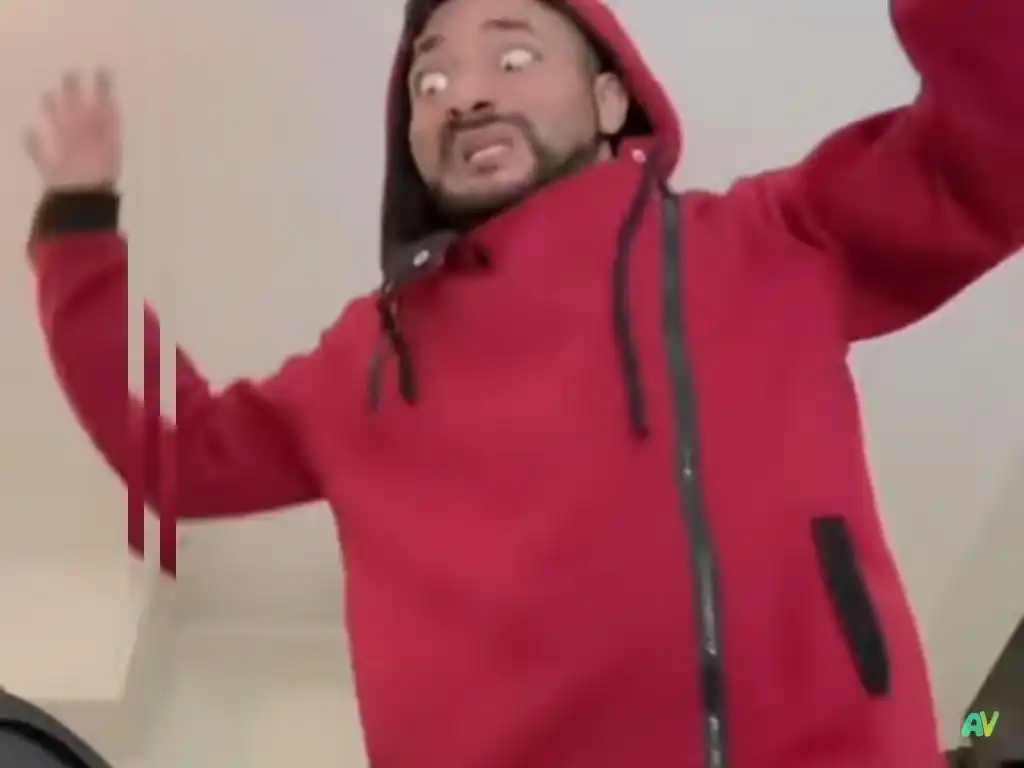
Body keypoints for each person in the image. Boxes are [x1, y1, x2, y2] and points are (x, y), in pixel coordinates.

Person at [21, 0, 1022, 765]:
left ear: (611, 100)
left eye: (512, 58)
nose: (462, 95)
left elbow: (995, 147)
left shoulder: (769, 241)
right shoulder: (365, 362)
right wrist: (77, 232)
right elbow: (176, 455)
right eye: (430, 80)